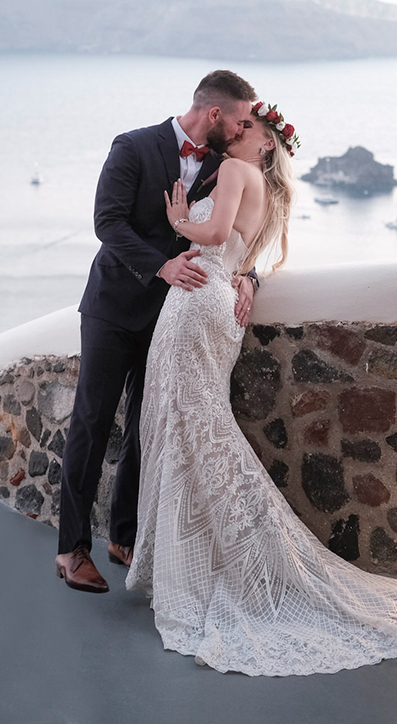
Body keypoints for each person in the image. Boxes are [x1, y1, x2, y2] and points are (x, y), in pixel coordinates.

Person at [126, 102, 397, 676]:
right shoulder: (263, 188)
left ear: (263, 144)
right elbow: (243, 249)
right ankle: (195, 558)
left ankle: (213, 564)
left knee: (184, 426)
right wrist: (228, 260)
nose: (237, 131)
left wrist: (178, 220)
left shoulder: (235, 172)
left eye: (249, 128)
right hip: (218, 308)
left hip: (194, 302)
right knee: (199, 428)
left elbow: (212, 233)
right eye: (240, 125)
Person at [55, 70, 258, 593]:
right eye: (238, 120)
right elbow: (108, 222)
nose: (241, 131)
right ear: (214, 114)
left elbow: (235, 233)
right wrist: (162, 266)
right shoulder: (134, 145)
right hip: (113, 307)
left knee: (151, 425)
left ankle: (124, 537)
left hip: (176, 318)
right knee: (93, 421)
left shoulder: (226, 165)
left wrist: (250, 277)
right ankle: (72, 548)